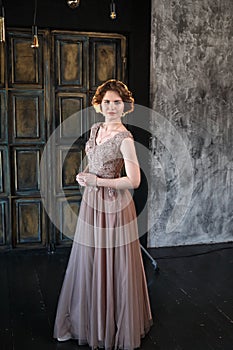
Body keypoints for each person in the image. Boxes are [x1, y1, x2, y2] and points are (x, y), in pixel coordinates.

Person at [53, 79, 153, 349]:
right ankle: (91, 321)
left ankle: (111, 324)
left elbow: (133, 181)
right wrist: (86, 177)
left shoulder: (126, 138)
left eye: (117, 102)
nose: (111, 107)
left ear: (126, 106)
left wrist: (98, 182)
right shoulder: (96, 129)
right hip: (92, 202)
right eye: (107, 102)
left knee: (113, 262)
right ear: (98, 105)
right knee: (91, 259)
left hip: (114, 204)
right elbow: (95, 162)